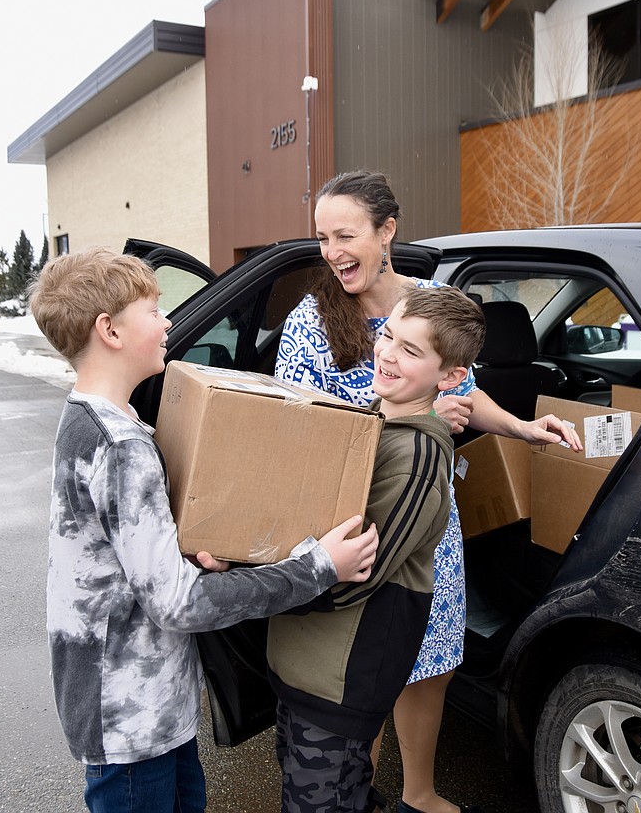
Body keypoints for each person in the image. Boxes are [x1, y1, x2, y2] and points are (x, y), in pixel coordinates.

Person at [29, 247, 379, 813]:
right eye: (152, 309)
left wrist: (189, 559)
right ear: (109, 330)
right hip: (132, 721)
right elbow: (178, 606)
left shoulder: (90, 421)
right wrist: (319, 567)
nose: (168, 321)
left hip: (136, 706)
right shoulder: (122, 449)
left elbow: (132, 564)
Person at [276, 170, 580, 813]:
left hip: (431, 517)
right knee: (368, 669)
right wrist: (416, 421)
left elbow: (462, 388)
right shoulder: (309, 320)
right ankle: (359, 793)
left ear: (387, 232)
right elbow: (299, 429)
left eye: (345, 235)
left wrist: (523, 428)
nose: (332, 252)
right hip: (363, 522)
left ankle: (419, 791)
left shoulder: (433, 299)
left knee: (432, 657)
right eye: (323, 238)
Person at [268, 284, 485, 813]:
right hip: (308, 670)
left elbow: (358, 576)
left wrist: (263, 588)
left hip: (338, 682)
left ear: (452, 377)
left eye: (412, 350)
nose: (387, 353)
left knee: (325, 797)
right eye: (387, 335)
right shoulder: (372, 423)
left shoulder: (414, 455)